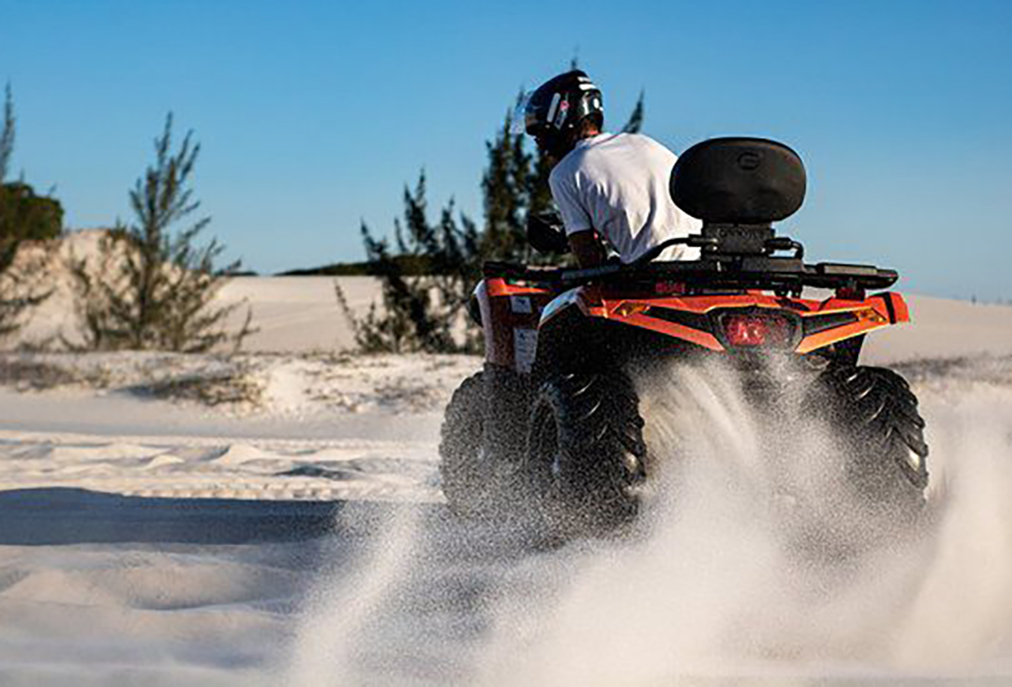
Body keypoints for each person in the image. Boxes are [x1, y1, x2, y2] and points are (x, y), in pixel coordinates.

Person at [519, 69, 702, 268]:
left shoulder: (565, 173)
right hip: (702, 265)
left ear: (558, 122)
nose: (540, 143)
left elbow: (589, 258)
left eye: (540, 133)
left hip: (650, 277)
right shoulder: (645, 143)